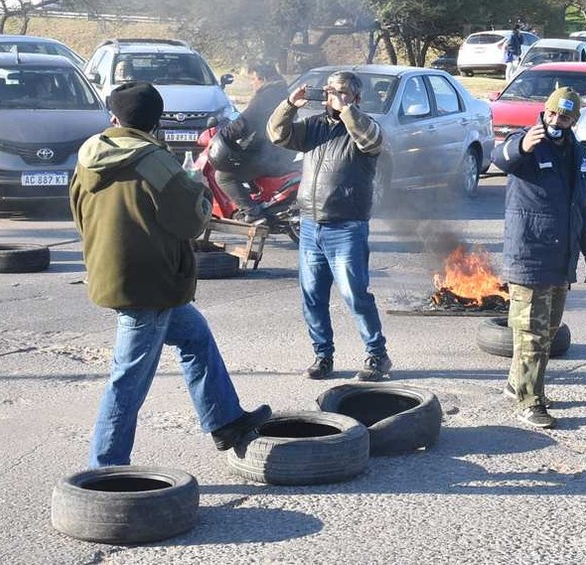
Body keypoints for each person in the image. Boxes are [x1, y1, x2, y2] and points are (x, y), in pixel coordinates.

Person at [71, 80, 270, 467]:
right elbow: (192, 221)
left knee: (195, 336)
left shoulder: (88, 156)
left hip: (114, 274)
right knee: (128, 380)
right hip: (151, 282)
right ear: (156, 121)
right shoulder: (154, 161)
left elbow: (78, 212)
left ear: (114, 118)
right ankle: (105, 468)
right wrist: (201, 193)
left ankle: (225, 420)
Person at [267, 69, 392, 382]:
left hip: (346, 226)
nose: (331, 98)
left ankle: (377, 355)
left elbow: (370, 140)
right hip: (311, 225)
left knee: (355, 294)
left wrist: (346, 107)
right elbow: (277, 134)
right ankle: (323, 356)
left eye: (340, 92)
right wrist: (290, 105)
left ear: (356, 97)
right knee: (312, 295)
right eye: (329, 92)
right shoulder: (314, 127)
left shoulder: (366, 128)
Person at [492, 87, 586, 430]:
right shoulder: (527, 141)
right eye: (552, 114)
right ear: (544, 111)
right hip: (530, 253)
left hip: (561, 257)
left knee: (548, 330)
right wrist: (522, 145)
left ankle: (515, 384)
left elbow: (581, 206)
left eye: (564, 117)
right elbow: (500, 157)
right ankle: (529, 401)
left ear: (574, 120)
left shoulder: (577, 152)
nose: (556, 121)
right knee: (531, 333)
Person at [213, 61, 294, 221]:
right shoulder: (281, 92)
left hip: (270, 155)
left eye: (253, 79)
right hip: (280, 152)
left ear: (262, 78)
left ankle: (251, 212)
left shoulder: (267, 96)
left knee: (223, 176)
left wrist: (224, 134)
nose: (252, 83)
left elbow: (245, 122)